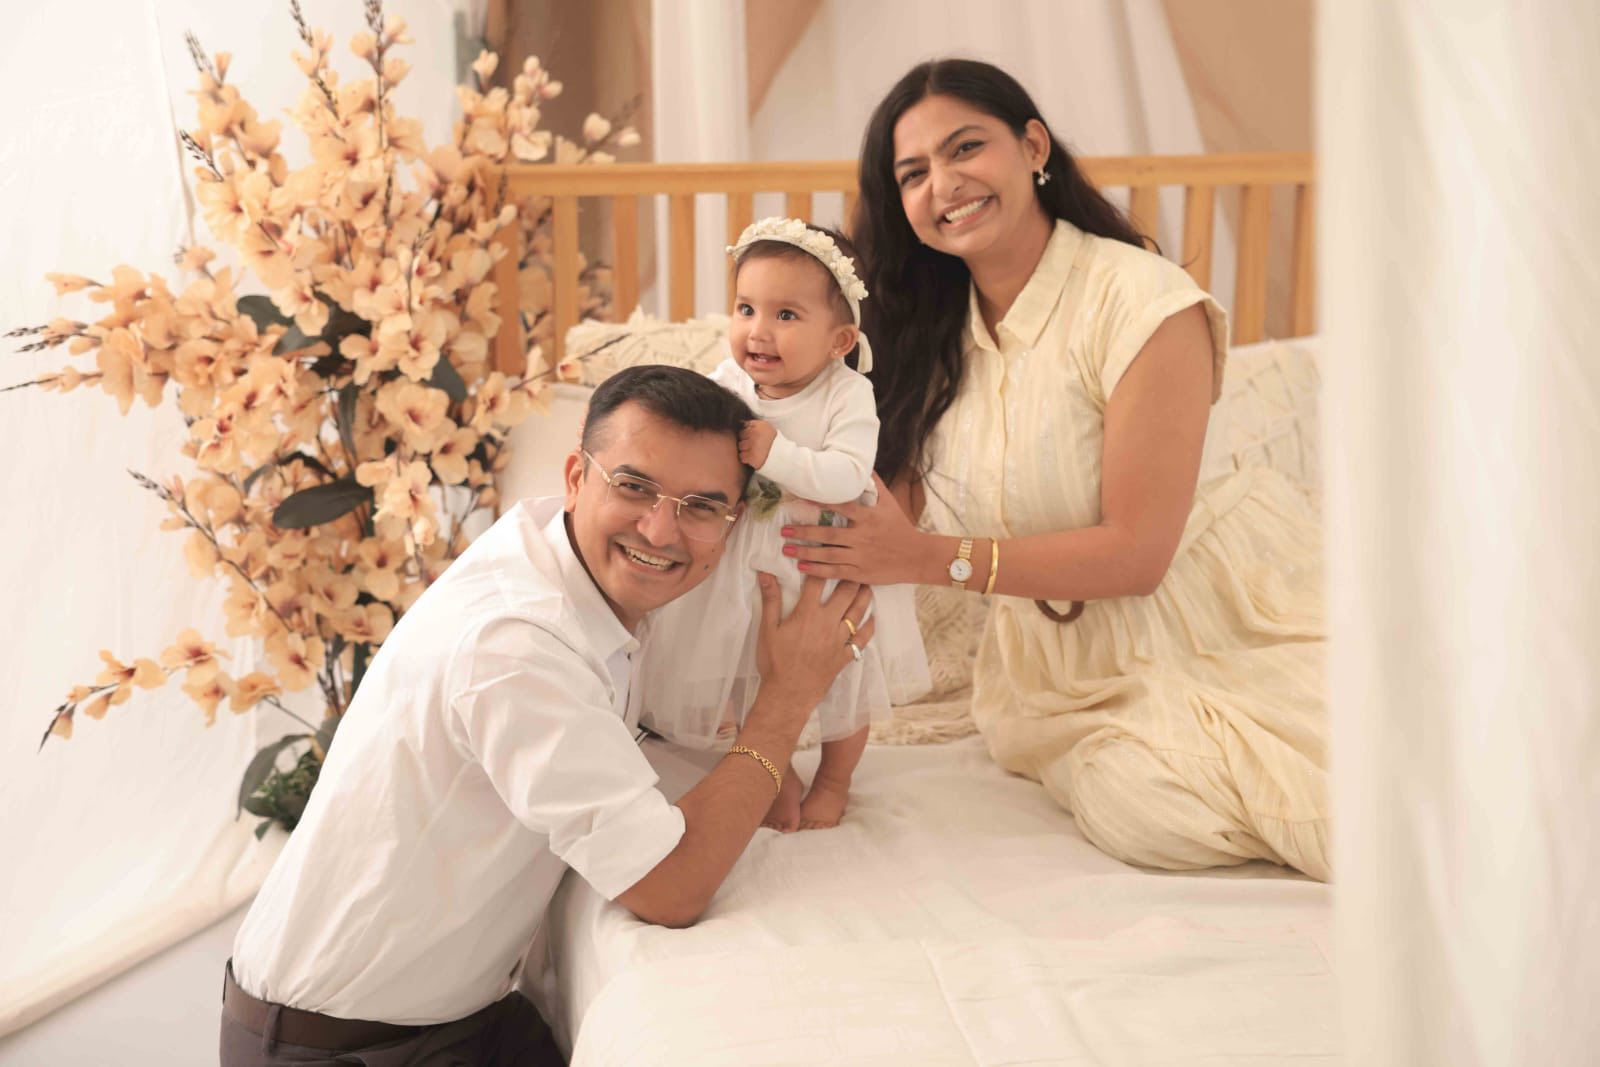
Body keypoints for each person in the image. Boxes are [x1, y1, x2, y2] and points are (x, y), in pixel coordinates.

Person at [220, 365, 876, 1065]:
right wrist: (785, 701)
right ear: (574, 475)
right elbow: (672, 886)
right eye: (634, 486)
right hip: (341, 1045)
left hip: (462, 1017)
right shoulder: (518, 644)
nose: (661, 527)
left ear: (731, 523)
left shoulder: (565, 568)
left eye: (700, 506)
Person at [785, 58, 1330, 881]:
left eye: (966, 148)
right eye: (914, 173)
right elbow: (864, 525)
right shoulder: (927, 333)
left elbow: (1138, 555)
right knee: (1143, 804)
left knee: (1238, 793)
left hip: (1218, 617)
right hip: (1049, 676)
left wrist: (929, 558)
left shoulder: (1142, 301)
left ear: (1032, 146)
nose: (944, 183)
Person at [638, 218, 929, 832]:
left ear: (840, 340)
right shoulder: (728, 381)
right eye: (745, 308)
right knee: (743, 670)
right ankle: (772, 767)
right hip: (742, 560)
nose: (757, 331)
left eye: (786, 315)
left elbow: (850, 476)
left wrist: (777, 455)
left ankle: (834, 777)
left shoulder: (845, 395)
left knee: (842, 683)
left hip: (820, 560)